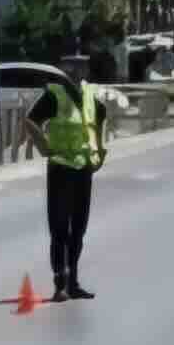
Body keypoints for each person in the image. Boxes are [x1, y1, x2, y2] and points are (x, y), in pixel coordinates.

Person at [22, 43, 114, 300]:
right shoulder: (54, 94)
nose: (78, 71)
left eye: (82, 66)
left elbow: (99, 117)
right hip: (61, 167)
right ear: (63, 70)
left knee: (79, 228)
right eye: (73, 67)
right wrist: (44, 147)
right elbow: (30, 120)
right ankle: (60, 283)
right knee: (60, 227)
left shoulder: (87, 94)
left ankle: (73, 281)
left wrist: (99, 151)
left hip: (83, 169)